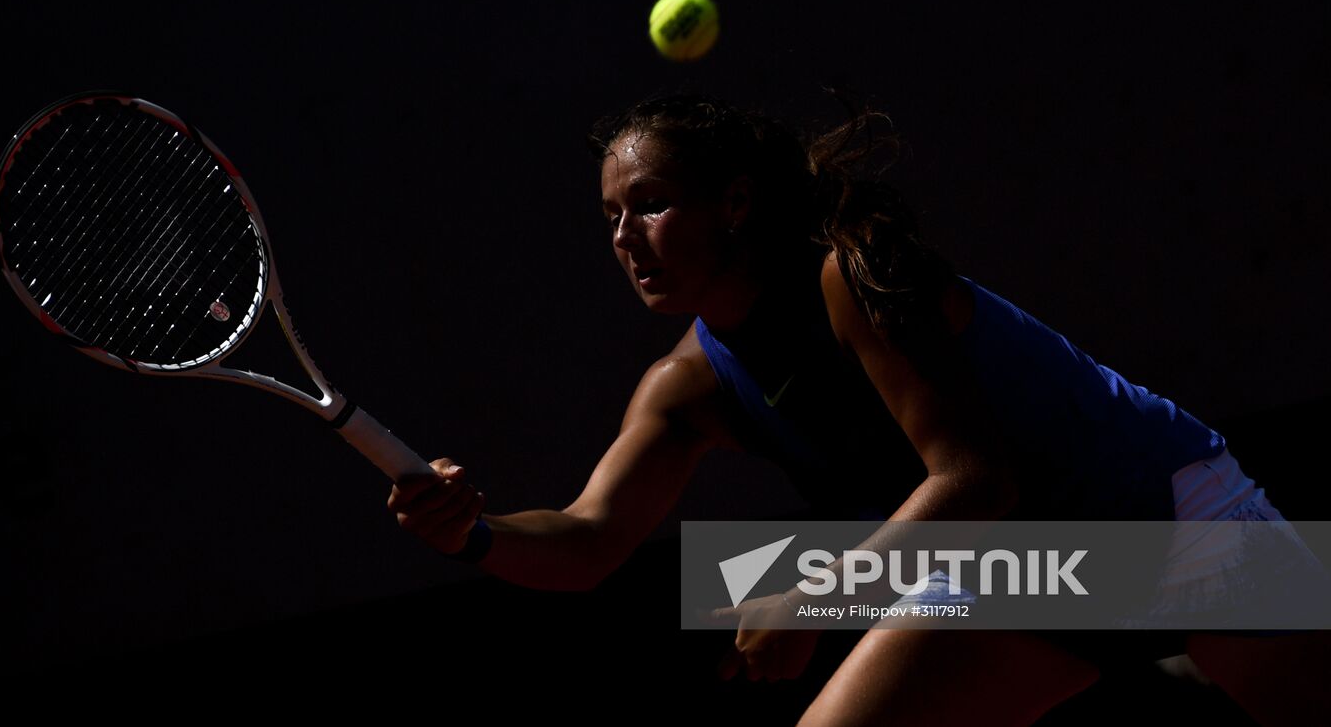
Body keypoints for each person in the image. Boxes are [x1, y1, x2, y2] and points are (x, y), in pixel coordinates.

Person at [387, 94, 1329, 725]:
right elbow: (589, 539)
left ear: (736, 205)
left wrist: (809, 597)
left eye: (654, 203)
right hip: (1031, 573)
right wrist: (474, 531)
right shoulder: (685, 386)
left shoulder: (850, 277)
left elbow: (974, 478)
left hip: (1168, 518)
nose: (628, 236)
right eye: (611, 215)